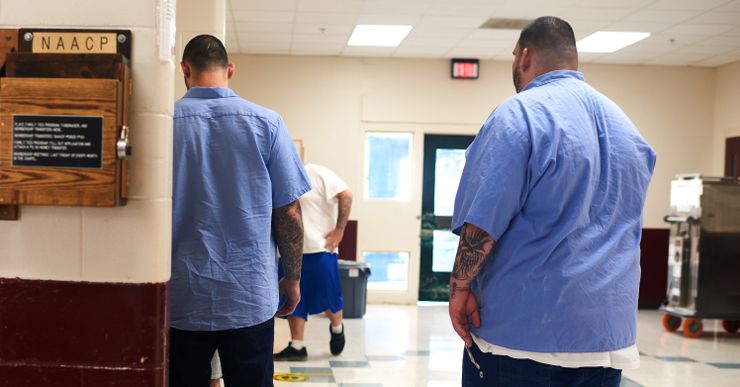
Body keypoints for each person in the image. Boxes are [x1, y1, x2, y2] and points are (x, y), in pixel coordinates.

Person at [448, 16, 656, 387]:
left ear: (525, 56)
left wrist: (461, 288)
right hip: (605, 339)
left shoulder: (519, 115)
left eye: (514, 57)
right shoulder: (626, 127)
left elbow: (482, 222)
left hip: (522, 339)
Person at [170, 34, 311, 387]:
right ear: (230, 70)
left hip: (180, 298)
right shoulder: (268, 123)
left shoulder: (162, 123)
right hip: (248, 296)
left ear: (184, 70)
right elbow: (289, 213)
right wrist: (292, 278)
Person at [273, 163, 353, 361]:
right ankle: (297, 346)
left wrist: (340, 230)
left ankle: (337, 328)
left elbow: (347, 194)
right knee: (293, 299)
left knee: (328, 295)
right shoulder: (276, 177)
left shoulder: (316, 172)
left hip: (320, 248)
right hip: (289, 250)